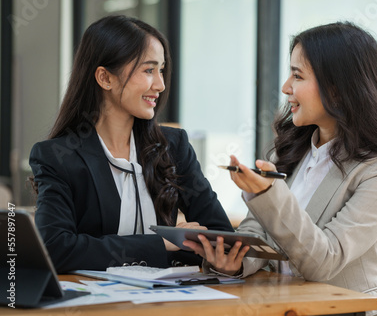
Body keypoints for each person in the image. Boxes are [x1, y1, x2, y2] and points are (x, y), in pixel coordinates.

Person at [184, 22, 377, 316]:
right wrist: (235, 262)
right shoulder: (292, 152)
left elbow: (323, 262)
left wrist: (269, 194)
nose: (286, 87)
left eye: (297, 75)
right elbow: (259, 233)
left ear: (337, 89)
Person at [29, 15, 233, 273]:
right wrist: (160, 243)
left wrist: (226, 261)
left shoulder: (173, 146)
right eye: (148, 70)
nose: (160, 84)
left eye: (161, 69)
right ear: (105, 78)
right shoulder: (58, 157)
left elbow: (221, 237)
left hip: (170, 303)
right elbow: (55, 249)